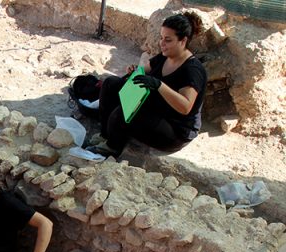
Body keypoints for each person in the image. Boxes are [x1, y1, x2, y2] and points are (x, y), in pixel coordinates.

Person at [86, 12, 207, 158]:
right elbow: (144, 69)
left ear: (183, 41)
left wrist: (159, 85)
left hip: (174, 130)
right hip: (157, 109)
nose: (162, 43)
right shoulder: (165, 56)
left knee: (124, 113)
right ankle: (105, 135)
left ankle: (112, 148)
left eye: (168, 40)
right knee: (111, 84)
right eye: (161, 38)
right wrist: (134, 71)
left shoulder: (192, 70)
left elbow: (185, 107)